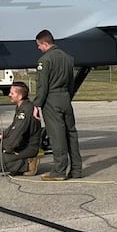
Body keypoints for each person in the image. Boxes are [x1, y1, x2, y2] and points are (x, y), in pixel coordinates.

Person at [33, 29, 82, 181]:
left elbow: (43, 85)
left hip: (51, 100)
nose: (38, 49)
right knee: (71, 133)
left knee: (57, 135)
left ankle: (59, 171)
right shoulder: (68, 58)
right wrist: (67, 96)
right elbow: (71, 82)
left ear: (45, 43)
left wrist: (37, 105)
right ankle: (76, 169)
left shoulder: (45, 60)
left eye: (39, 45)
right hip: (65, 98)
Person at [0, 81, 43, 176]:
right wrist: (1, 136)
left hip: (29, 147)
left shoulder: (25, 110)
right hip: (22, 145)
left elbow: (18, 133)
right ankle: (15, 159)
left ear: (20, 96)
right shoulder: (21, 107)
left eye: (12, 93)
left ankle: (28, 164)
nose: (9, 95)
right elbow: (13, 127)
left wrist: (8, 148)